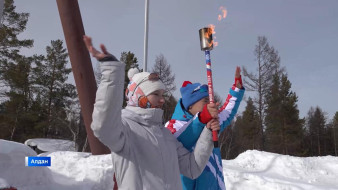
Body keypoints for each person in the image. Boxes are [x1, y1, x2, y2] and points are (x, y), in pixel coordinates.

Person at [83, 35, 221, 190]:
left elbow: (192, 168)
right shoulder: (124, 129)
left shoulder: (165, 135)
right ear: (138, 96)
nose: (162, 100)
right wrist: (111, 73)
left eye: (162, 95)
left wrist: (208, 132)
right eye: (156, 94)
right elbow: (103, 126)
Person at [165, 67, 245, 190]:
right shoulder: (174, 126)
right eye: (205, 101)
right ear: (190, 105)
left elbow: (227, 112)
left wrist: (237, 89)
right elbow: (182, 138)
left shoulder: (212, 123)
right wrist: (202, 119)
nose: (210, 104)